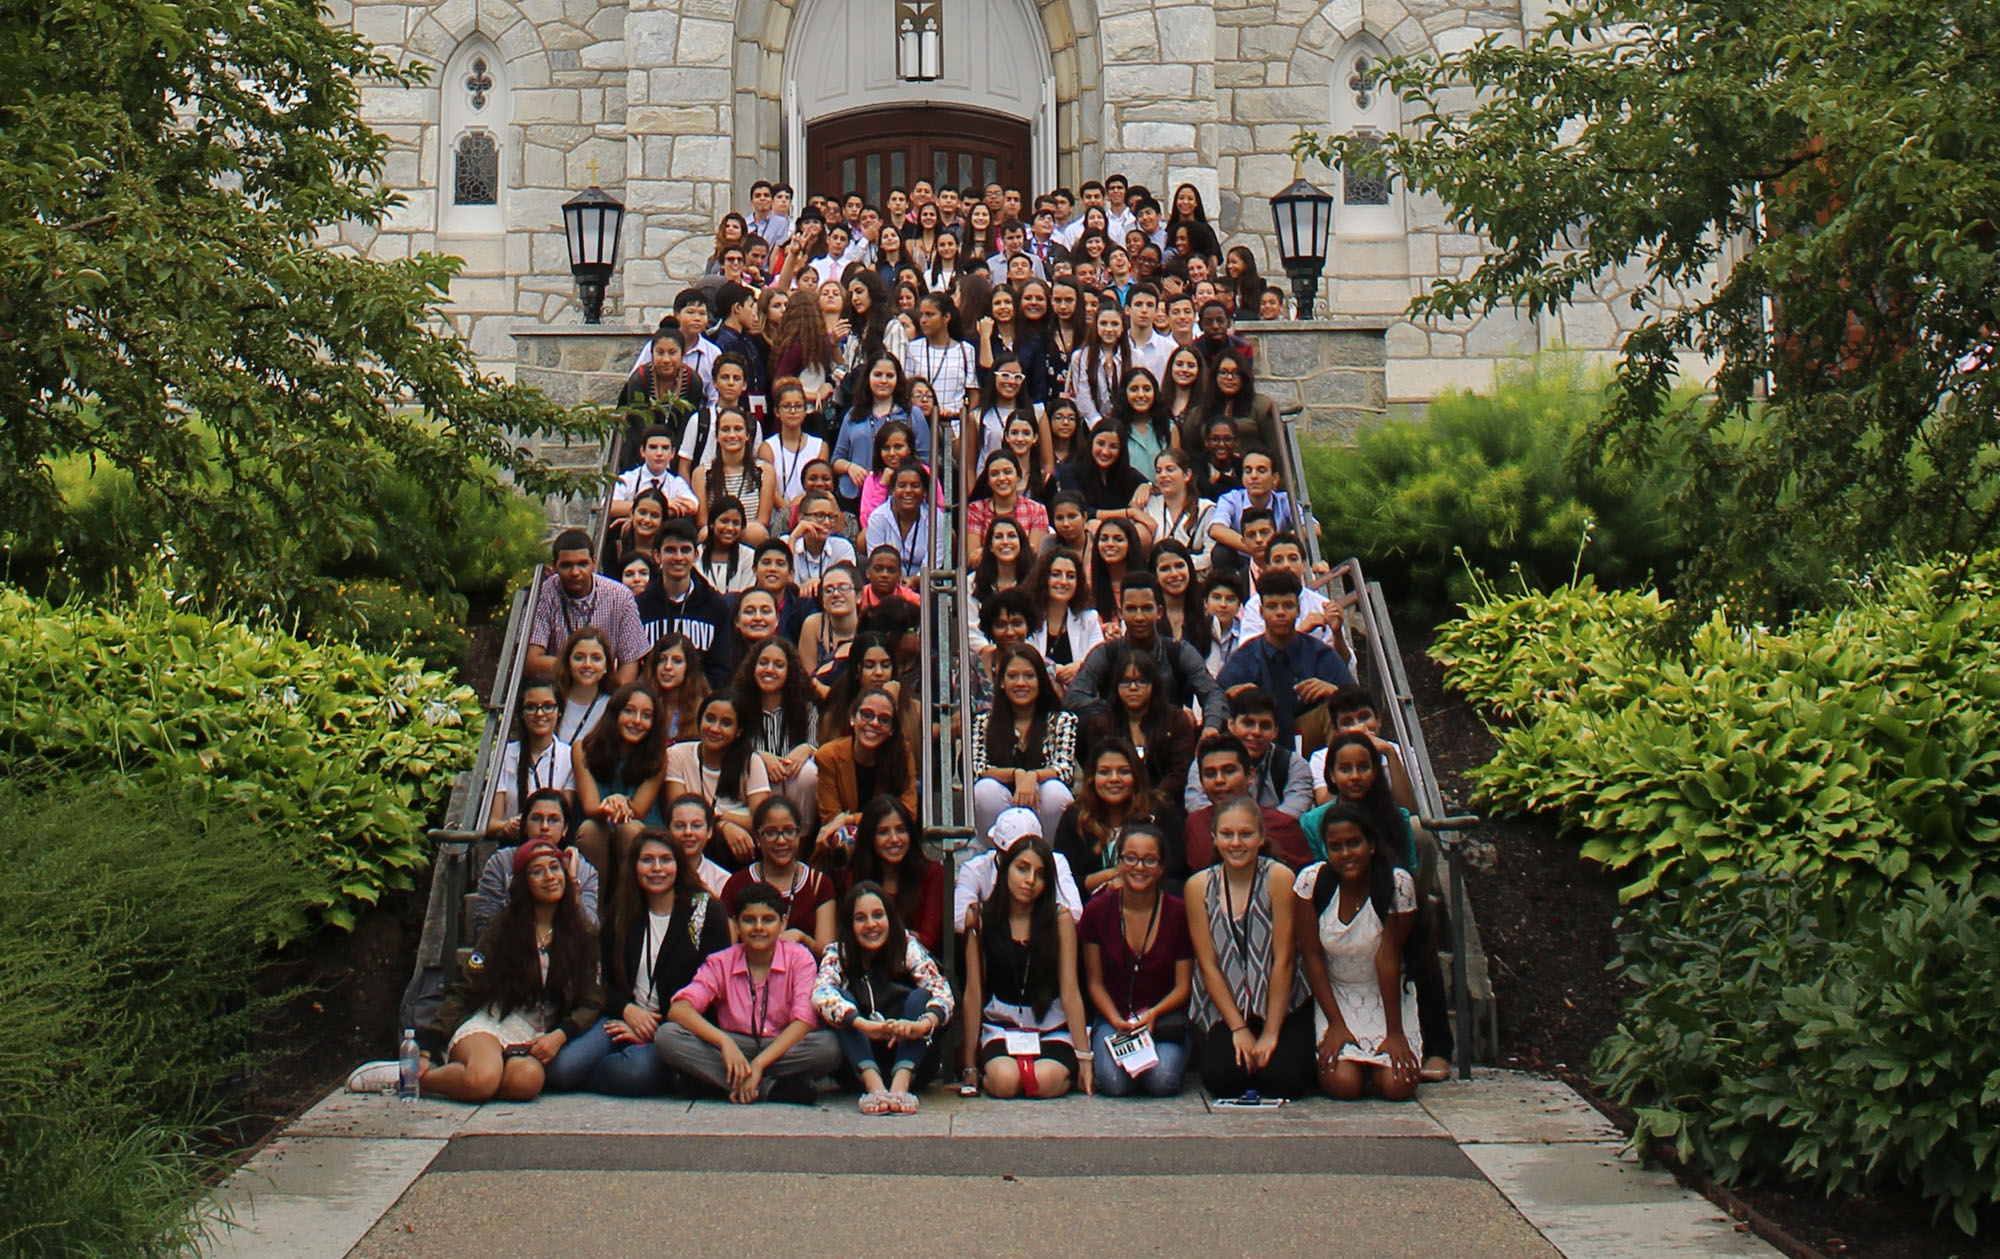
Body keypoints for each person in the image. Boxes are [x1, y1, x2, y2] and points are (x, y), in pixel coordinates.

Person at [411, 838, 603, 1102]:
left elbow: (592, 1000)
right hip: (493, 1022)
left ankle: (473, 1078)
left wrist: (560, 1035)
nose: (550, 877)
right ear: (523, 882)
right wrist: (427, 1048)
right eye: (537, 871)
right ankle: (412, 1078)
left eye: (555, 868)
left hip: (535, 1035)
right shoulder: (503, 927)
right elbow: (467, 986)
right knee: (482, 1080)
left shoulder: (583, 933)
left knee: (526, 1082)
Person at [559, 829, 732, 1095]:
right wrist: (628, 1011)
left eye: (665, 860)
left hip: (673, 1029)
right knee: (563, 1068)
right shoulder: (622, 910)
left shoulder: (706, 911)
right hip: (621, 1016)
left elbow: (716, 986)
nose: (657, 868)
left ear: (678, 864)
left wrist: (656, 1029)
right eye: (647, 860)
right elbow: (600, 980)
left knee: (636, 1073)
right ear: (634, 866)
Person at [657, 882, 842, 1103]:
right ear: (736, 924)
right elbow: (679, 1009)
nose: (758, 928)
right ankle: (770, 1087)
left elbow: (804, 1021)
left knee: (829, 1047)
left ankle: (731, 1081)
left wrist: (759, 1063)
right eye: (749, 920)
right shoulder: (721, 961)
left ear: (782, 923)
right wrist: (725, 1043)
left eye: (768, 920)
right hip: (735, 1046)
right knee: (667, 1037)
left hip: (782, 1047)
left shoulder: (799, 958)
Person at [1185, 796, 1314, 1099]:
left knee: (1285, 1079)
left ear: (1261, 837)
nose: (1236, 843)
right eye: (1227, 834)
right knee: (1222, 1078)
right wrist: (1238, 1028)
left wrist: (1270, 1031)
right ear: (1214, 838)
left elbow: (1283, 959)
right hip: (1228, 1004)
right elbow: (1208, 964)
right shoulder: (1198, 886)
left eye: (1246, 834)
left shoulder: (1280, 878)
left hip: (1279, 1000)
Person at [1294, 805, 1422, 1100]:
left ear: (1371, 845)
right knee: (1344, 1085)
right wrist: (1336, 1025)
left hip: (1385, 995)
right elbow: (1312, 956)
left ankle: (1377, 1071)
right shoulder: (1311, 883)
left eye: (1354, 843)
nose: (1346, 853)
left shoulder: (1397, 884)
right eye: (1335, 847)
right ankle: (1358, 1066)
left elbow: (1388, 960)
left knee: (1397, 1086)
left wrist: (1395, 1033)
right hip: (1336, 993)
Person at [959, 833, 1093, 1099]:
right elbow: (973, 993)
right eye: (1022, 869)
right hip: (1002, 1026)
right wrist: (969, 1065)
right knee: (1005, 1082)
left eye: (1040, 874)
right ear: (1005, 869)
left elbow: (1070, 992)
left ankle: (1056, 1074)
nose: (1030, 880)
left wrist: (1085, 1059)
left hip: (1052, 1026)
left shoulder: (1060, 918)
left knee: (1043, 1082)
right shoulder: (980, 917)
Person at [813, 881, 955, 1114]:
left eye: (878, 915)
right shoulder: (837, 952)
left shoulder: (907, 945)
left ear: (890, 917)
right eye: (860, 918)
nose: (871, 925)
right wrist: (864, 1025)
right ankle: (875, 1088)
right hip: (858, 1062)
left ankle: (901, 1086)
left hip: (910, 1053)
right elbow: (821, 994)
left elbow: (943, 991)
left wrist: (921, 1024)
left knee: (921, 997)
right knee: (840, 1000)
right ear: (850, 923)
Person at [1079, 824, 1195, 1096]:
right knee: (1114, 1084)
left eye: (1149, 860)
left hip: (1163, 1018)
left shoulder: (1178, 913)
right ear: (1119, 863)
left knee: (1162, 1081)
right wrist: (1116, 1020)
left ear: (1162, 867)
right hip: (1114, 1017)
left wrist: (1152, 1014)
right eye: (1130, 858)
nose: (1139, 867)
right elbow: (1094, 983)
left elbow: (1183, 987)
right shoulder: (1096, 911)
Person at [1063, 574, 1226, 731]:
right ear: (1122, 613)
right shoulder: (1106, 653)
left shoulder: (1179, 652)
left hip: (1167, 741)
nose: (1139, 617)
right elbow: (1074, 697)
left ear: (1159, 613)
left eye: (1146, 608)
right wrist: (1126, 711)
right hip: (1116, 743)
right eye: (1132, 609)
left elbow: (1213, 694)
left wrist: (1210, 728)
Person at [1217, 569, 1358, 748]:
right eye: (1272, 606)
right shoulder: (1246, 656)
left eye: (1288, 606)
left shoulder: (1318, 653)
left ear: (1298, 610)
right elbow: (1215, 697)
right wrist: (1230, 694)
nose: (1280, 613)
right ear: (1261, 611)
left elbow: (1359, 703)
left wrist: (1334, 692)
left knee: (1335, 708)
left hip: (1309, 743)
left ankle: (1334, 773)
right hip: (1257, 741)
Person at [970, 644, 1079, 840]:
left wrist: (1032, 778)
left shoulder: (1062, 720)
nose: (1021, 683)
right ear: (1002, 682)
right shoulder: (983, 722)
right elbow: (978, 769)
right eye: (1013, 676)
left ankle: (1049, 858)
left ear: (1041, 681)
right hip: (1002, 807)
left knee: (1055, 792)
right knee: (984, 791)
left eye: (1029, 676)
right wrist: (1017, 775)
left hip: (1042, 808)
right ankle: (998, 857)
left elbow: (1065, 770)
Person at [571, 682, 667, 887]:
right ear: (614, 713)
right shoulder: (583, 748)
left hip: (639, 828)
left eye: (647, 716)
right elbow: (590, 806)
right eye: (629, 711)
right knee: (590, 830)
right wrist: (611, 803)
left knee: (629, 829)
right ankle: (593, 909)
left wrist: (622, 801)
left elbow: (639, 810)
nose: (637, 721)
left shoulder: (658, 756)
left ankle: (629, 910)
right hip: (599, 824)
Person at [1176, 686, 1315, 826]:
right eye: (1248, 724)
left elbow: (1293, 814)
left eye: (1265, 726)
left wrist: (1247, 831)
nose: (1256, 732)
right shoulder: (1207, 760)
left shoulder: (1293, 765)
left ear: (1275, 731)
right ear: (1231, 724)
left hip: (1275, 840)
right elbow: (1197, 807)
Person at [472, 786, 602, 935]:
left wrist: (571, 881)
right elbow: (485, 928)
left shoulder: (583, 870)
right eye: (536, 819)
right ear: (525, 826)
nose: (544, 827)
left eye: (553, 820)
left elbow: (591, 931)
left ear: (565, 829)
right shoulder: (501, 863)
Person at [1051, 736, 1172, 896]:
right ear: (1092, 778)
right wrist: (1109, 876)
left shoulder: (1158, 812)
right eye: (1104, 772)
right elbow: (1062, 880)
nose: (1114, 779)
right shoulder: (1074, 817)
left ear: (1136, 776)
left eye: (1124, 771)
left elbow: (1173, 874)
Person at [1180, 736, 1313, 875]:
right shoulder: (1195, 824)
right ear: (1201, 781)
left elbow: (1305, 882)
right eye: (1210, 774)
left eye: (1229, 771)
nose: (1219, 780)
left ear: (1250, 775)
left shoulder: (1282, 824)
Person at [1084, 649, 1198, 811]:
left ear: (1155, 684)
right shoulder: (1101, 725)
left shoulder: (1176, 720)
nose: (1133, 688)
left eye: (1141, 681)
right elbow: (1097, 769)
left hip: (1166, 804)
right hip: (1114, 804)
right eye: (1126, 681)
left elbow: (1180, 770)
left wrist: (1151, 799)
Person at [664, 694, 771, 867]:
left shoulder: (751, 761)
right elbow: (678, 813)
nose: (714, 729)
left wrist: (720, 816)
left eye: (726, 723)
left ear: (739, 731)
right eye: (710, 719)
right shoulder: (677, 755)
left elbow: (760, 821)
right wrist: (722, 826)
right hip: (693, 840)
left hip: (742, 848)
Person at [527, 530, 647, 683]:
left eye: (582, 564)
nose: (575, 573)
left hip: (605, 693)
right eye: (566, 565)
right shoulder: (544, 595)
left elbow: (630, 661)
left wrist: (612, 702)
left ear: (594, 562)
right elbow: (531, 662)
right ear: (554, 566)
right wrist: (586, 668)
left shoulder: (620, 596)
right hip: (558, 693)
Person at [813, 687, 919, 860]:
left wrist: (850, 819)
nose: (875, 723)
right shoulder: (828, 756)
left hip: (891, 841)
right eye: (867, 715)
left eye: (884, 719)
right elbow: (832, 820)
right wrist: (849, 824)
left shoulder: (902, 753)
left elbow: (908, 814)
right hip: (845, 849)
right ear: (853, 718)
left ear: (892, 729)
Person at [721, 797, 838, 953]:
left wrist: (802, 939)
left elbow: (828, 955)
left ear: (798, 833)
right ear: (757, 837)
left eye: (789, 831)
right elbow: (726, 952)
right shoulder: (737, 885)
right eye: (771, 833)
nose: (781, 841)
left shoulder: (818, 884)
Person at [843, 794, 946, 954]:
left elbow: (927, 942)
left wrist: (879, 939)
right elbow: (853, 940)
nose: (894, 839)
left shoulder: (932, 874)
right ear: (870, 837)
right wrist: (907, 937)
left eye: (901, 830)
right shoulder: (856, 876)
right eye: (883, 832)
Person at [734, 636, 818, 827]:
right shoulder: (738, 706)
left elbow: (816, 746)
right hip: (751, 788)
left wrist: (807, 748)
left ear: (789, 671)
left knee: (808, 774)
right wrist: (758, 756)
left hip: (792, 783)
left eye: (778, 665)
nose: (769, 670)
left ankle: (801, 843)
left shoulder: (806, 709)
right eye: (763, 663)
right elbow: (730, 749)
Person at [830, 353, 924, 511]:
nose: (883, 381)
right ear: (868, 378)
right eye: (878, 375)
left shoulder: (912, 414)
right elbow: (836, 459)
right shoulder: (853, 415)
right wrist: (849, 468)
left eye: (890, 376)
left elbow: (925, 459)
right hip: (854, 495)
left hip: (898, 496)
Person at [487, 676, 576, 837]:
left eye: (548, 706)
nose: (540, 713)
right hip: (514, 844)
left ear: (560, 711)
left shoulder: (569, 756)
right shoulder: (502, 756)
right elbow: (491, 824)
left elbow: (565, 820)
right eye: (530, 707)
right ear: (521, 714)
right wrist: (508, 825)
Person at [693, 409, 778, 547]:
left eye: (738, 429)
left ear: (747, 435)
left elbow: (763, 520)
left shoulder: (764, 470)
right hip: (716, 533)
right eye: (725, 430)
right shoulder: (702, 472)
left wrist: (737, 530)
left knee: (757, 532)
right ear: (717, 436)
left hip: (749, 534)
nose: (732, 435)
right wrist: (725, 529)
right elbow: (703, 522)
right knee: (704, 533)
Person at [1206, 448, 1298, 570]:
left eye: (1261, 470)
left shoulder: (1284, 500)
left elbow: (1313, 527)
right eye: (1248, 471)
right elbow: (1216, 529)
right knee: (1221, 552)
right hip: (1242, 559)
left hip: (1277, 558)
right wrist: (1254, 548)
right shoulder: (1231, 499)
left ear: (1275, 478)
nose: (1254, 476)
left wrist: (1276, 545)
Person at [1026, 548, 1102, 690]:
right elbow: (1025, 660)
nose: (1063, 581)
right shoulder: (1028, 619)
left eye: (1071, 576)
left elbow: (1099, 659)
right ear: (1044, 578)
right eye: (1056, 575)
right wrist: (1052, 670)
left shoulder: (1089, 619)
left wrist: (1079, 666)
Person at [1061, 420, 1150, 527]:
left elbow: (1145, 482)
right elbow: (1081, 510)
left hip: (1122, 533)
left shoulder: (1126, 473)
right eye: (1100, 444)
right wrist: (1128, 513)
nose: (1105, 452)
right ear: (1091, 443)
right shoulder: (1070, 472)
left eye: (1113, 447)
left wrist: (1146, 485)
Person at [864, 464, 945, 579]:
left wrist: (915, 580)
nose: (908, 491)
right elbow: (877, 561)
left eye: (915, 486)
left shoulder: (936, 518)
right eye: (902, 486)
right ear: (893, 490)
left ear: (924, 492)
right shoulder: (878, 517)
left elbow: (933, 562)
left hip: (925, 582)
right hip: (887, 581)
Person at [966, 451, 1051, 561]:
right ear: (988, 481)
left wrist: (990, 551)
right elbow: (973, 558)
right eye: (994, 474)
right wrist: (1017, 549)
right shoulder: (976, 509)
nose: (1001, 478)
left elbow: (1032, 556)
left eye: (1007, 472)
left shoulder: (1037, 510)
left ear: (1018, 476)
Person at [1141, 447, 1215, 570]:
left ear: (1187, 475)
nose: (1163, 475)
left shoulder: (1206, 509)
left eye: (1170, 470)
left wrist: (1179, 563)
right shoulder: (1148, 504)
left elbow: (1210, 555)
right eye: (1159, 471)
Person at [611, 423, 700, 520]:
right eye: (653, 447)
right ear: (642, 451)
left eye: (665, 448)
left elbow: (692, 505)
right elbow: (608, 506)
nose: (659, 453)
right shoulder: (627, 479)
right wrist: (664, 504)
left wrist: (660, 506)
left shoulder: (677, 482)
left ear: (672, 453)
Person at [1068, 303, 1130, 425]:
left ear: (1123, 327)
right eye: (1103, 323)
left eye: (1115, 324)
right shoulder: (1080, 357)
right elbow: (1083, 397)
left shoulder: (1135, 356)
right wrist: (1099, 425)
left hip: (1127, 425)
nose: (1109, 329)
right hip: (1092, 425)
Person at [663, 793, 734, 897]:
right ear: (668, 831)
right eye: (679, 826)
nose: (688, 832)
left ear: (709, 831)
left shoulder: (723, 881)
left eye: (696, 826)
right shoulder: (657, 873)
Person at [645, 632, 708, 745]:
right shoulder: (644, 702)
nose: (668, 667)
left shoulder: (702, 709)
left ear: (689, 667)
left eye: (677, 661)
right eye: (662, 659)